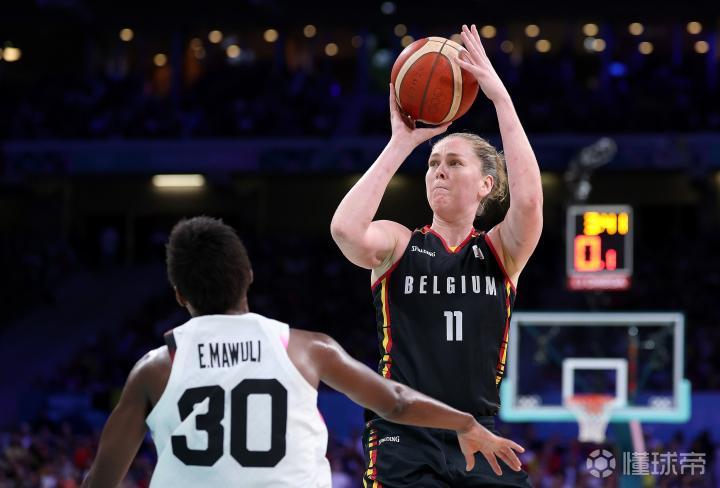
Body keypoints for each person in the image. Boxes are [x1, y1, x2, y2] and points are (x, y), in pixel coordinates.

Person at [81, 216, 524, 487]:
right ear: (248, 276)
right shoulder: (306, 349)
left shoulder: (156, 367)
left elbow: (100, 479)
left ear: (179, 295)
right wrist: (466, 422)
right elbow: (396, 401)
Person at [330, 24, 543, 486]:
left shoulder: (499, 252)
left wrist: (501, 100)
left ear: (486, 185)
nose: (438, 171)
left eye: (453, 163)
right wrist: (401, 144)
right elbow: (346, 230)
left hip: (478, 432)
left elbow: (528, 203)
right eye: (433, 163)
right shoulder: (399, 243)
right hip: (403, 434)